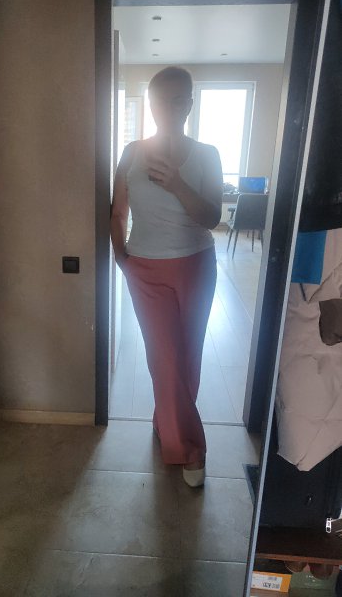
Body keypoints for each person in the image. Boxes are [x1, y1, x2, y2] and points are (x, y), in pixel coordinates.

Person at [110, 66, 223, 488]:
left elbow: (211, 217)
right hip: (145, 269)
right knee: (165, 356)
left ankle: (166, 422)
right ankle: (190, 450)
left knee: (188, 356)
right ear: (151, 104)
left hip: (197, 265)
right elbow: (118, 211)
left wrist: (177, 184)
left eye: (179, 100)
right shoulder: (131, 152)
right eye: (162, 100)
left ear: (189, 105)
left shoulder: (207, 154)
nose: (170, 108)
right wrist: (121, 257)